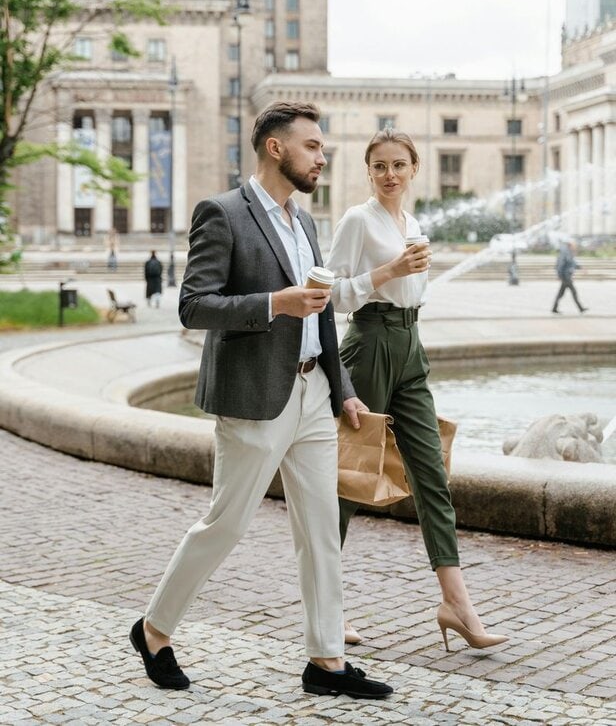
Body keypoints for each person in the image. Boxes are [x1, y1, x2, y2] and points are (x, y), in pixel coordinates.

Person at [129, 101, 393, 700]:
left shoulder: (305, 223)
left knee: (323, 529)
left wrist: (343, 390)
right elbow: (194, 306)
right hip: (252, 396)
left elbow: (321, 312)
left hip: (314, 392)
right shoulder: (221, 213)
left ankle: (325, 663)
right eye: (313, 147)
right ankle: (153, 629)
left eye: (322, 148)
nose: (323, 157)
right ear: (276, 149)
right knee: (226, 523)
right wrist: (276, 302)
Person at [326, 128, 508, 653]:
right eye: (379, 165)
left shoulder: (415, 224)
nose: (390, 174)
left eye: (399, 165)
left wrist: (408, 277)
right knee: (350, 481)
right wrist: (386, 272)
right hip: (369, 342)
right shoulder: (357, 220)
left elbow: (415, 290)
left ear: (414, 169)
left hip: (410, 345)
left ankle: (457, 604)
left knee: (432, 473)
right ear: (368, 171)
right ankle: (327, 607)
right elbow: (330, 295)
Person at [552, 240, 588, 314]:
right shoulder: (564, 253)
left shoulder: (569, 253)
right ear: (570, 246)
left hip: (567, 275)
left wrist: (581, 268)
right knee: (573, 292)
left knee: (561, 293)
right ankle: (580, 308)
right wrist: (559, 275)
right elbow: (560, 265)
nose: (575, 247)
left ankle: (554, 308)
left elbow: (573, 264)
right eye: (574, 246)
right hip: (566, 276)